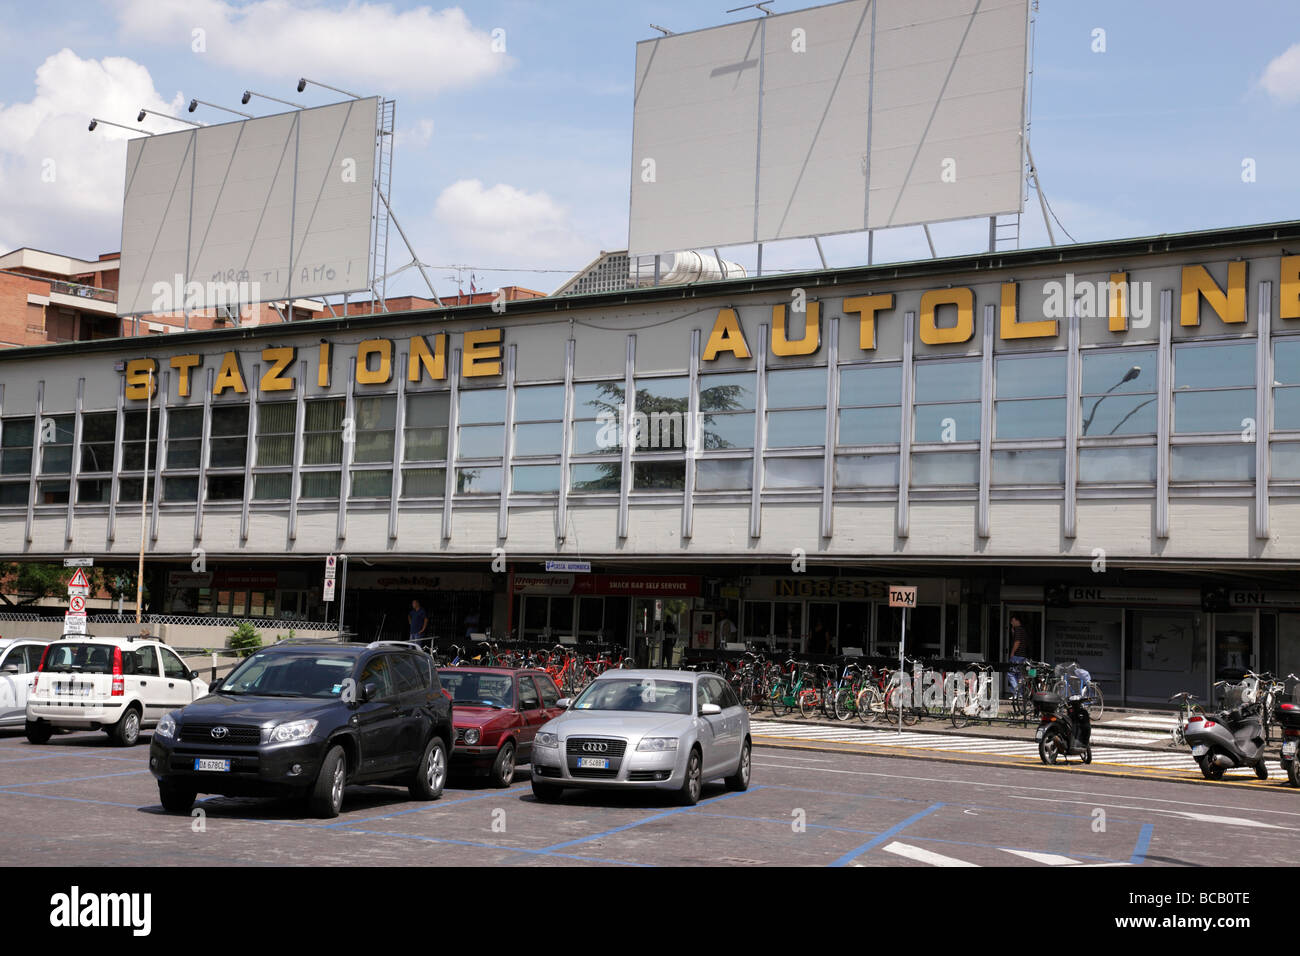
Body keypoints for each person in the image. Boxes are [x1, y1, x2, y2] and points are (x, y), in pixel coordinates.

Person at [1007, 615, 1028, 697]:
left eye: (1012, 621)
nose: (1011, 623)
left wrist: (1012, 652)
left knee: (1010, 673)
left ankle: (1017, 693)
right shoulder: (1023, 630)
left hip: (1017, 656)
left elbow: (1017, 642)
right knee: (1019, 675)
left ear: (1016, 620)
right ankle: (1020, 694)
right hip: (1023, 656)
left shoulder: (1018, 629)